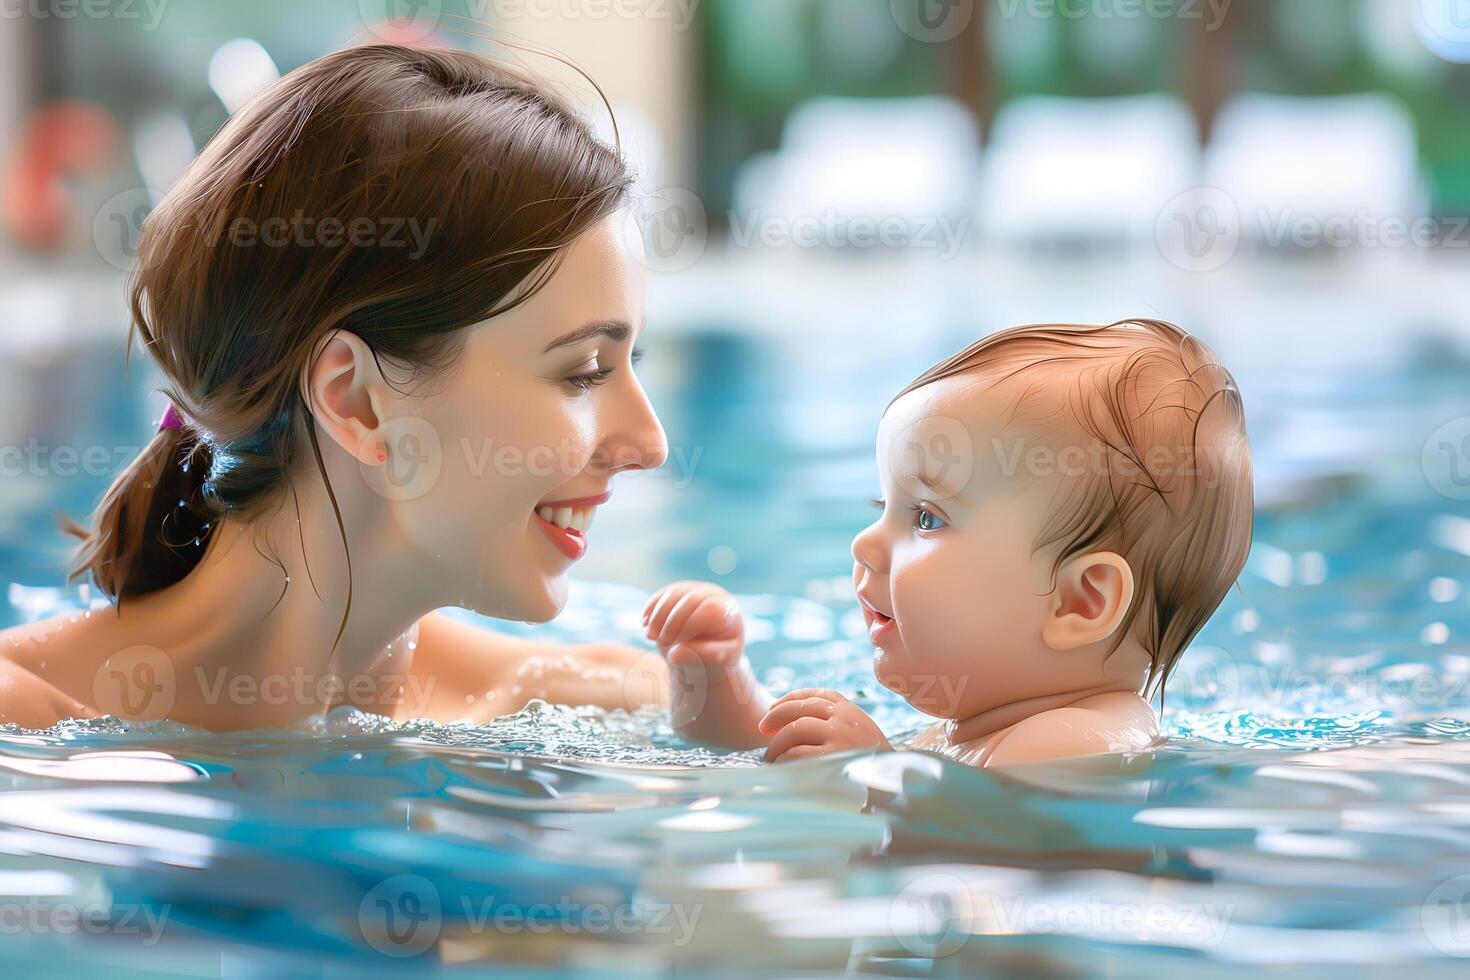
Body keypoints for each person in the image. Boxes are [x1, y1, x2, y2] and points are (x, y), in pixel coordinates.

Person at [0, 44, 672, 730]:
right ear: (357, 402)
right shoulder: (24, 726)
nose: (650, 444)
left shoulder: (609, 697)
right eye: (583, 371)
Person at [646, 319, 1255, 766]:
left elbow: (972, 844)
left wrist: (870, 772)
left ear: (1079, 602)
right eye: (881, 507)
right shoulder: (961, 730)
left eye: (927, 518)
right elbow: (767, 746)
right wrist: (713, 675)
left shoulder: (1081, 742)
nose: (865, 544)